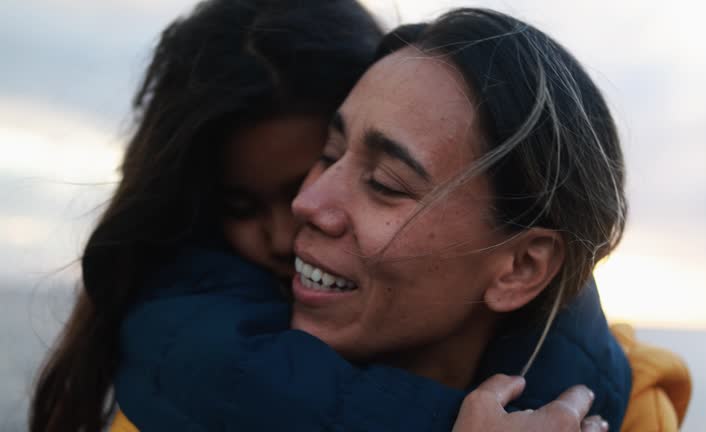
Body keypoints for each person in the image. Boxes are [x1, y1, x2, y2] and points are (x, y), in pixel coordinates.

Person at [30, 2, 614, 432]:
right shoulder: (166, 394)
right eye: (330, 156)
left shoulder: (632, 403)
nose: (303, 209)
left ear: (521, 265)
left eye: (385, 184)